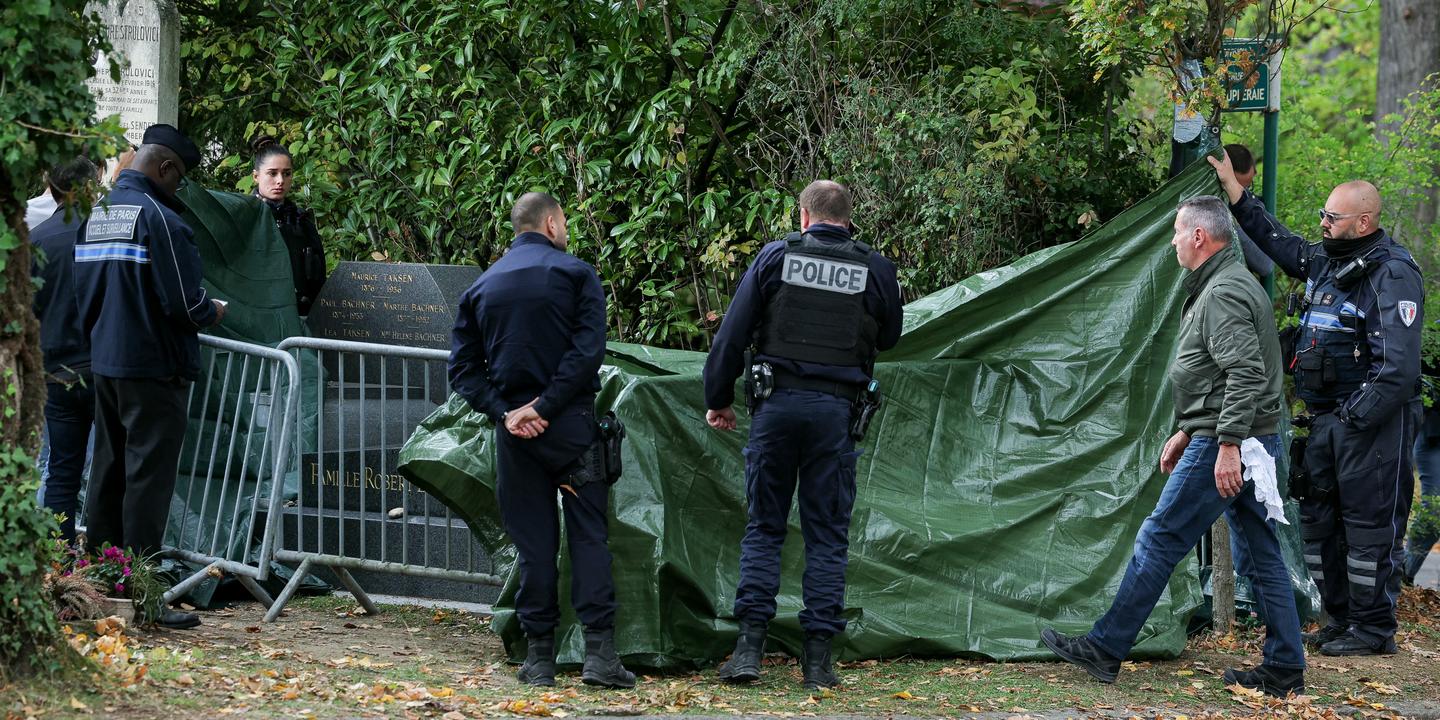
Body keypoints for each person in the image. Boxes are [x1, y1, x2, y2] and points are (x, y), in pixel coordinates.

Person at [1040, 195, 1305, 697]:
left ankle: (1105, 647)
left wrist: (1226, 444)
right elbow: (1217, 374)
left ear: (1199, 236)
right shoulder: (1224, 283)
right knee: (1261, 552)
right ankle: (1285, 665)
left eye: (1178, 232)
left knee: (1159, 537)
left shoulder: (1224, 291)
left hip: (1230, 439)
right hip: (1238, 435)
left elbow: (1245, 374)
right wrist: (1186, 429)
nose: (1173, 241)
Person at [1210, 152, 1424, 656]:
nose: (1323, 223)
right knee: (1319, 522)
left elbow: (1397, 369)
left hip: (1371, 425)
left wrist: (1352, 419)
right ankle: (1340, 620)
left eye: (1333, 216)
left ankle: (1373, 629)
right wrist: (1235, 193)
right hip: (1327, 421)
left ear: (1364, 222)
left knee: (1369, 528)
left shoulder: (1391, 273)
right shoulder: (1328, 260)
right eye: (1323, 214)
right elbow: (1279, 242)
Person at [702, 180, 903, 690]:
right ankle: (817, 663)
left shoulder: (775, 257)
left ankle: (748, 650)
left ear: (804, 217)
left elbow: (731, 334)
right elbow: (890, 336)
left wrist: (717, 398)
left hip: (776, 408)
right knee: (827, 535)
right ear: (847, 219)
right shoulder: (875, 267)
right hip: (835, 414)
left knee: (765, 528)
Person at [448, 191, 634, 689]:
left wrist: (507, 412)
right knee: (589, 536)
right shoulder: (576, 274)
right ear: (551, 223)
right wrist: (546, 406)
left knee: (533, 546)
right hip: (571, 426)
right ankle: (600, 655)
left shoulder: (482, 286)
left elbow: (463, 370)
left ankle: (539, 659)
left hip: (515, 434)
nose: (566, 230)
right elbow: (587, 352)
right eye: (565, 222)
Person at [74, 124, 226, 630]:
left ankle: (101, 585)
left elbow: (83, 295)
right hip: (154, 367)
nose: (178, 187)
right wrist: (211, 311)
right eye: (179, 177)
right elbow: (184, 303)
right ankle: (143, 594)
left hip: (105, 362)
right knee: (148, 482)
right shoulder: (160, 219)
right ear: (164, 168)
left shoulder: (98, 214)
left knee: (108, 471)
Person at [30, 156, 100, 541]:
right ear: (90, 187)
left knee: (61, 470)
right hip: (105, 366)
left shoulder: (37, 239)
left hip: (56, 371)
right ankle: (110, 557)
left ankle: (58, 557)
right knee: (111, 466)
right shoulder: (104, 233)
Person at [251, 137, 326, 315]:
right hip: (259, 317)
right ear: (256, 176)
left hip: (302, 315)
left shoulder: (301, 221)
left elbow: (318, 277)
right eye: (272, 173)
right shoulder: (245, 218)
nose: (280, 180)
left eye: (286, 173)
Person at [1223, 143, 1275, 279]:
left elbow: (1265, 264)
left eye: (1247, 187)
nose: (1242, 194)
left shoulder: (1251, 206)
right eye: (1235, 187)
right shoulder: (1213, 208)